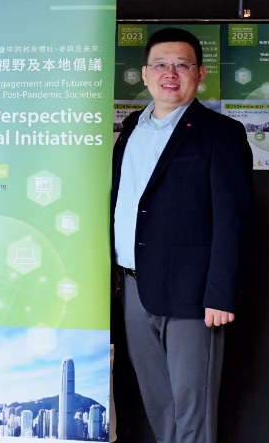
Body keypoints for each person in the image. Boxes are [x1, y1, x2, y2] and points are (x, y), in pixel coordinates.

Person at [111, 28, 253, 442]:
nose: (169, 73)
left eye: (182, 65)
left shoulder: (221, 134)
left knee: (192, 408)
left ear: (200, 74)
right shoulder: (131, 130)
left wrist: (220, 293)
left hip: (193, 294)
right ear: (145, 74)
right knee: (159, 404)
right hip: (134, 288)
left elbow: (233, 219)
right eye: (160, 64)